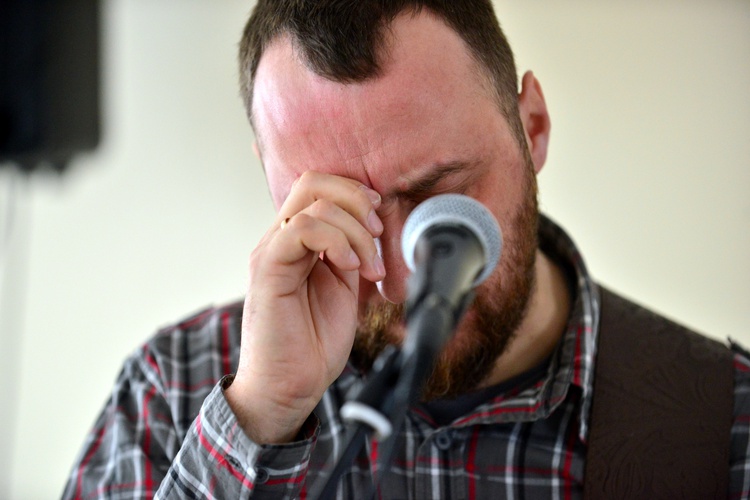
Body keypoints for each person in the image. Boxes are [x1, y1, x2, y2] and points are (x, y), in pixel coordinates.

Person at [63, 1, 750, 498]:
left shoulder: (724, 424)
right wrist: (259, 421)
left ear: (532, 128)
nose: (396, 275)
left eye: (437, 196)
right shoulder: (170, 393)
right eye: (336, 208)